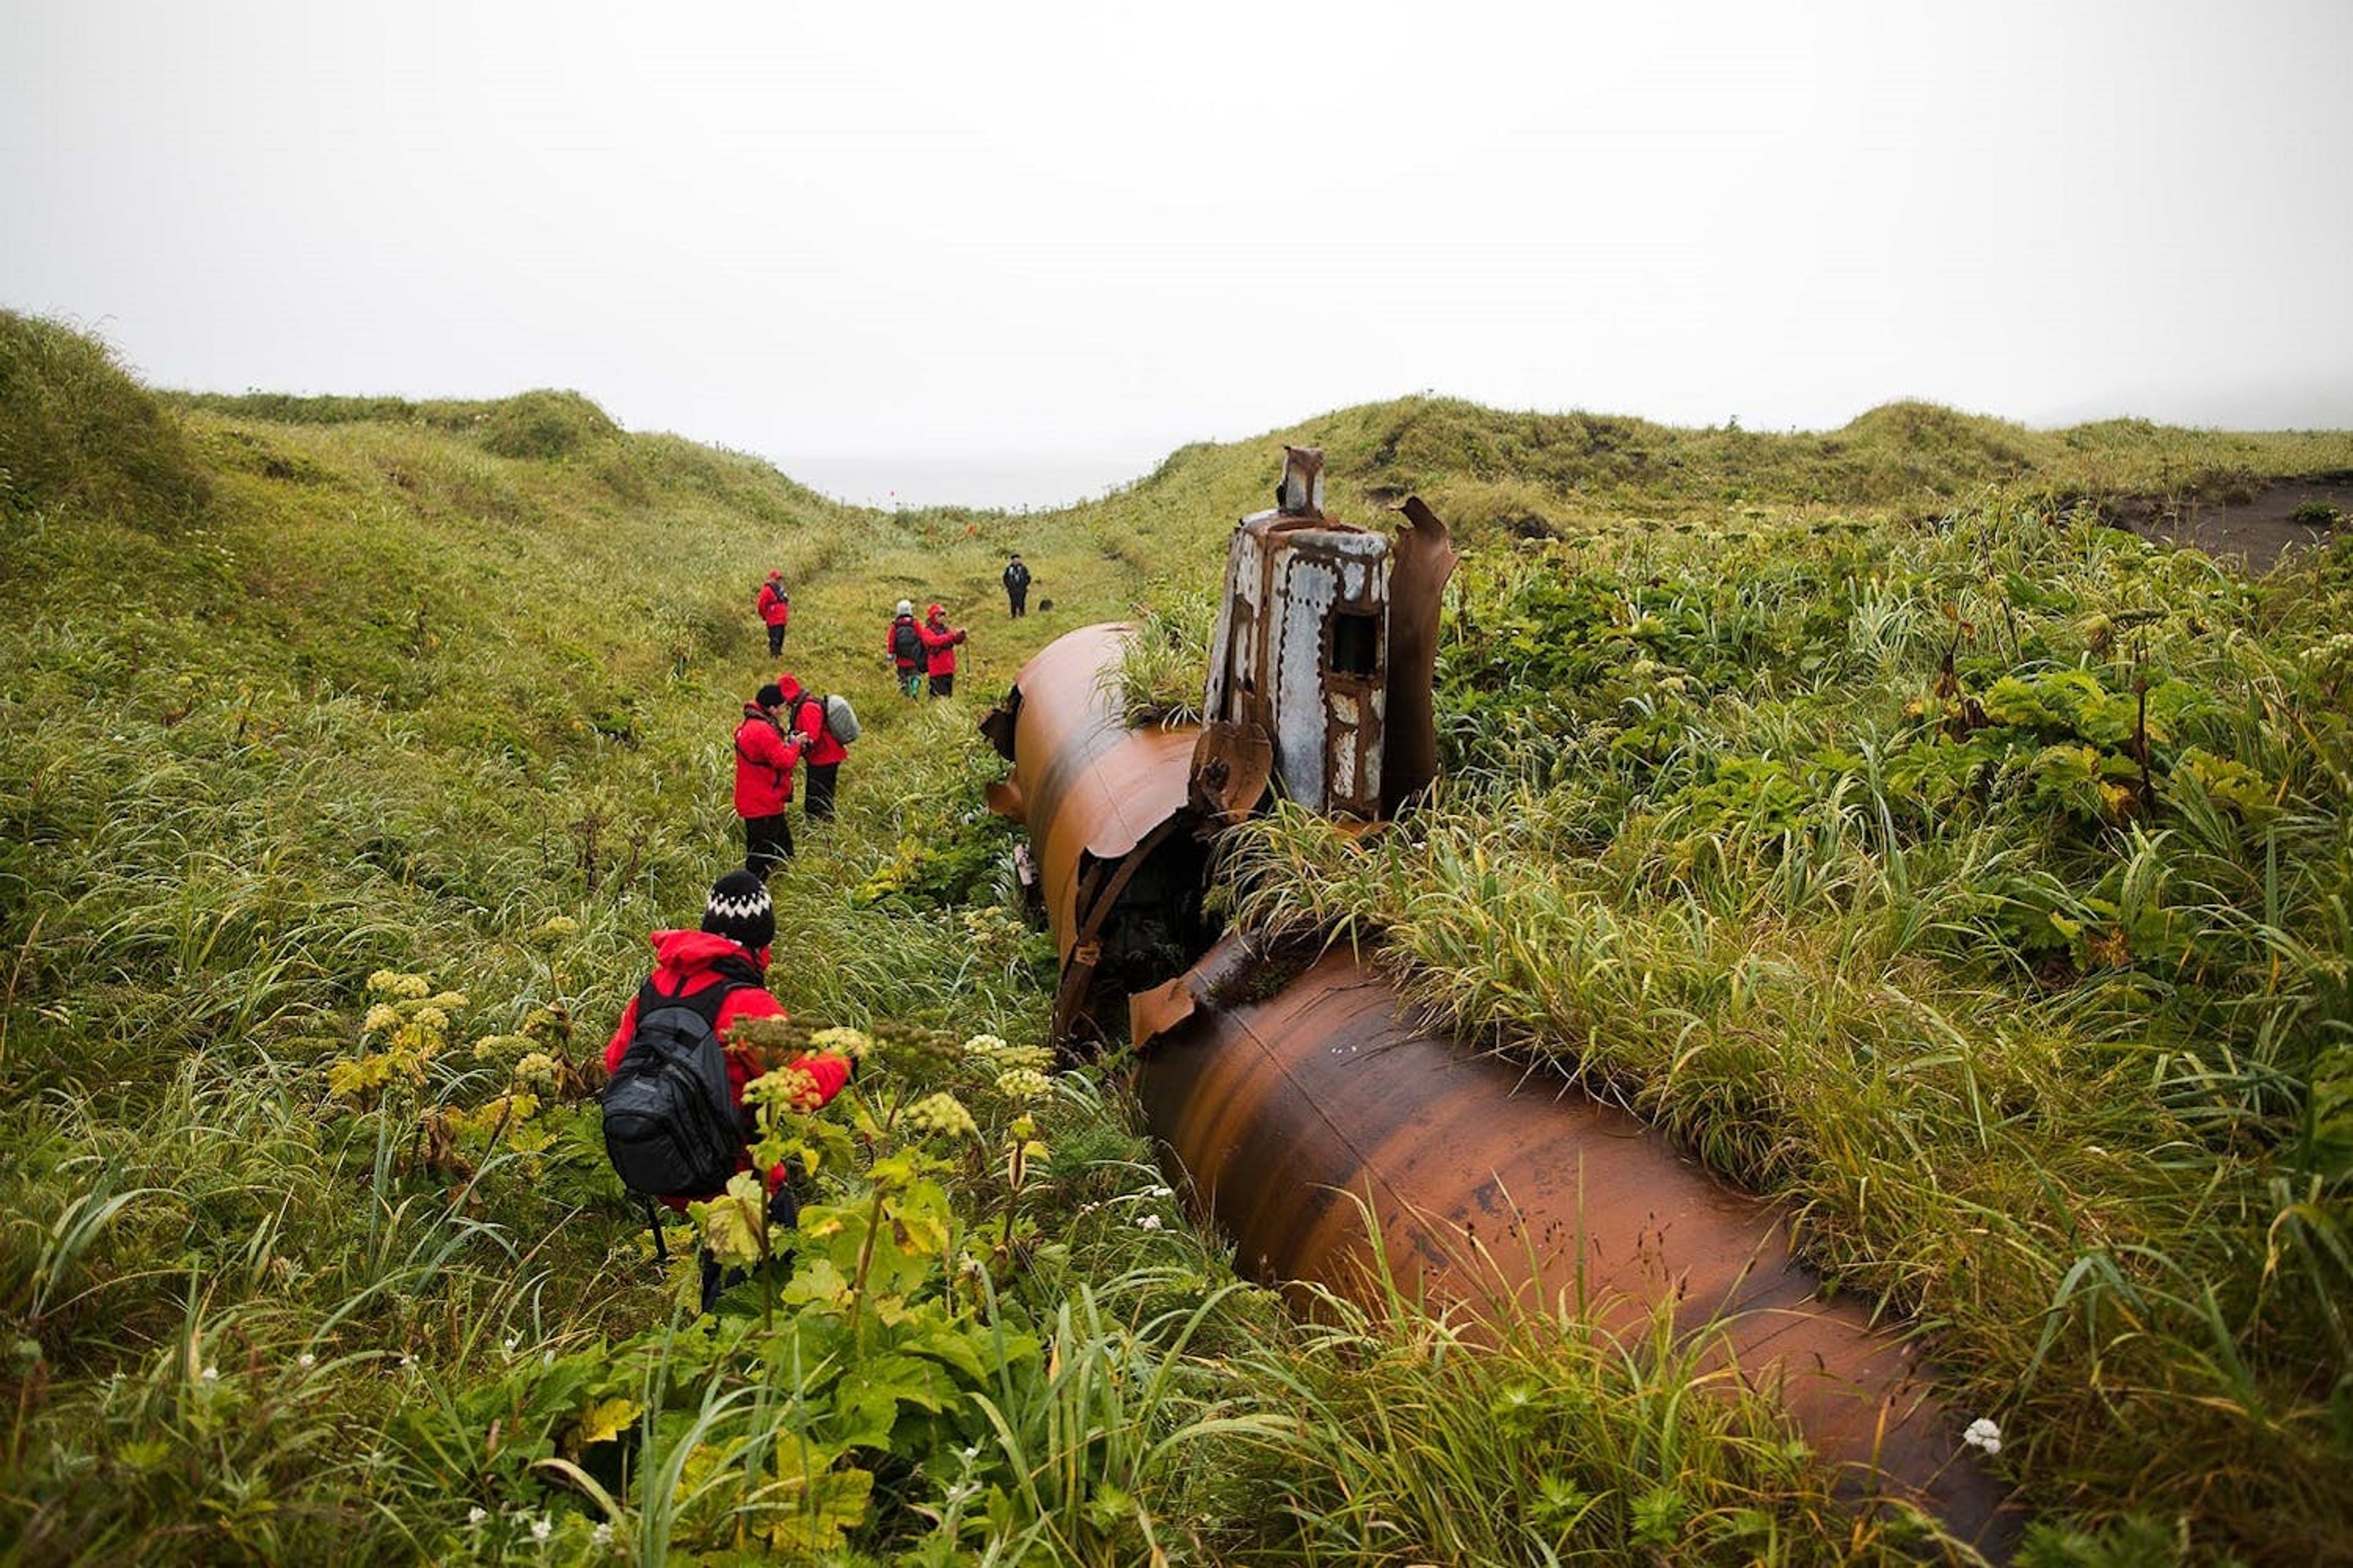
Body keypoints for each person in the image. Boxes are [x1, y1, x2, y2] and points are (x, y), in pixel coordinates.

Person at [603, 870, 853, 1311]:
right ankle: (735, 1356)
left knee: (719, 1261)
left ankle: (710, 1325)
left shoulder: (656, 986)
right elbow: (800, 1088)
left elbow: (615, 1062)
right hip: (738, 1181)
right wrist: (844, 1059)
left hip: (672, 1163)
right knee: (754, 1297)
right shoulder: (747, 1003)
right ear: (761, 944)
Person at [733, 683, 803, 874]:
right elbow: (784, 761)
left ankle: (781, 880)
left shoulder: (747, 726)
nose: (783, 711)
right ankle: (754, 891)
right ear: (772, 708)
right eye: (782, 707)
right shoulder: (762, 730)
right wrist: (795, 745)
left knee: (780, 848)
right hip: (763, 800)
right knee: (761, 854)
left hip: (757, 797)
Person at [776, 672, 848, 822]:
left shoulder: (808, 707)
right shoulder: (802, 704)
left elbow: (812, 738)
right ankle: (820, 826)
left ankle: (822, 827)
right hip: (821, 757)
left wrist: (793, 748)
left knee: (819, 797)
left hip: (825, 757)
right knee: (818, 795)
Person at [917, 602, 968, 699]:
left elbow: (956, 641)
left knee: (948, 697)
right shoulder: (927, 631)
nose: (942, 617)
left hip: (949, 668)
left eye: (943, 615)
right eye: (939, 615)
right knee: (938, 698)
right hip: (937, 669)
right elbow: (934, 641)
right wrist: (952, 635)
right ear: (932, 616)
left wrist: (961, 635)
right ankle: (933, 713)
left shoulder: (946, 630)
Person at [887, 599, 924, 699]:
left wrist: (891, 654)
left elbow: (891, 640)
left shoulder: (895, 625)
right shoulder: (915, 623)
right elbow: (922, 637)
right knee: (915, 675)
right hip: (914, 658)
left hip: (901, 659)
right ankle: (915, 688)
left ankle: (905, 693)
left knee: (902, 677)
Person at [1002, 554, 1031, 618]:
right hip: (1012, 589)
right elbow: (1005, 578)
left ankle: (1022, 613)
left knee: (1022, 601)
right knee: (1013, 602)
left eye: (1017, 560)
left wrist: (1025, 584)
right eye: (1014, 560)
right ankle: (1013, 614)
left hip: (1022, 588)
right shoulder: (1009, 569)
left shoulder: (1023, 568)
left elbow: (1028, 578)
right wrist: (1008, 586)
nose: (1016, 562)